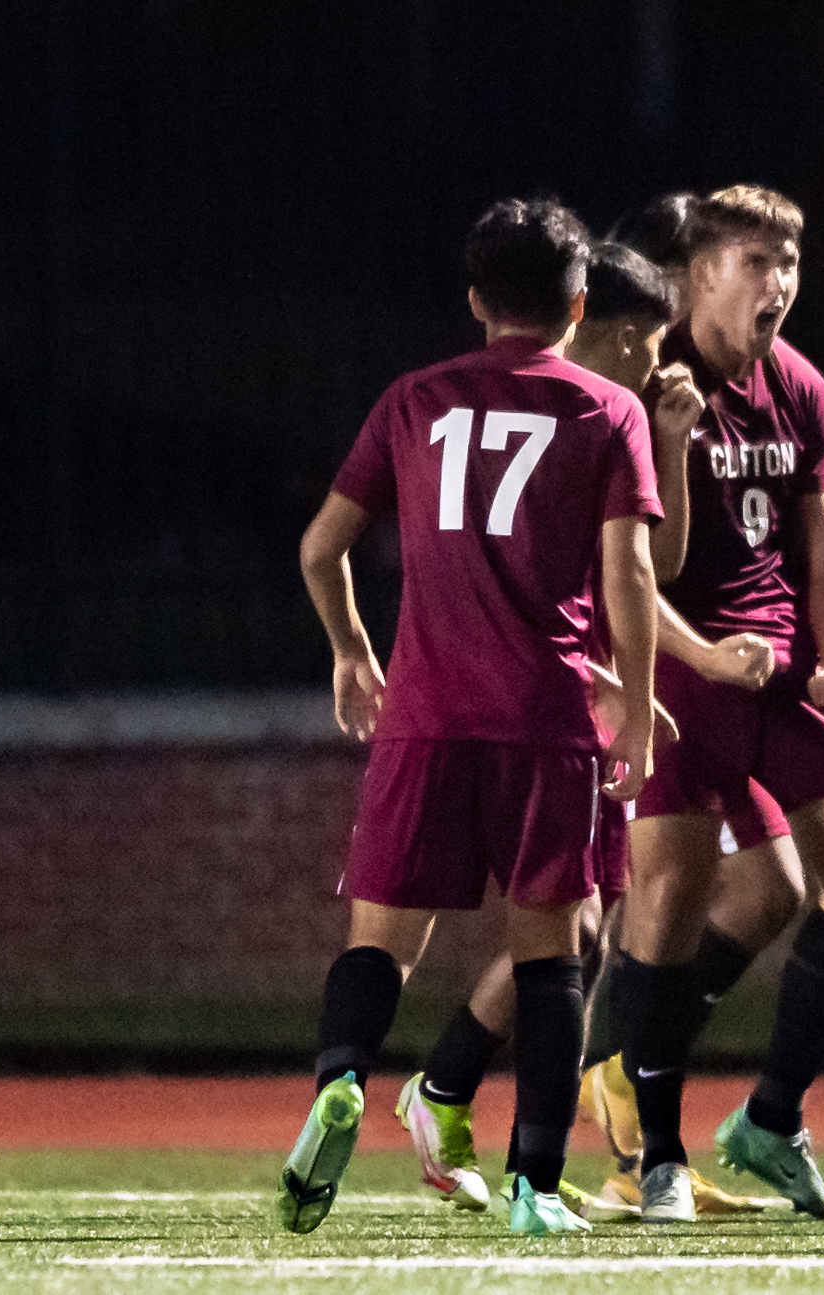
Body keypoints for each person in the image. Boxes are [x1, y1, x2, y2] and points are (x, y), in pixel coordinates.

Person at [277, 196, 662, 1239]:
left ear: (474, 300)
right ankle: (536, 1182)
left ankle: (342, 1078)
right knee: (551, 953)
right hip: (543, 716)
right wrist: (636, 694)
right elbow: (627, 569)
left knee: (381, 938)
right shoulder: (604, 410)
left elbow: (321, 547)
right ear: (580, 305)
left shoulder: (414, 398)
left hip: (425, 714)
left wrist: (354, 650)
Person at [614, 185, 824, 1224]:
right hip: (685, 674)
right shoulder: (647, 380)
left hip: (782, 670)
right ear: (698, 276)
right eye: (753, 262)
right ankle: (652, 1155)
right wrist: (662, 438)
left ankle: (770, 1118)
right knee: (666, 908)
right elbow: (647, 565)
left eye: (787, 263)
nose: (777, 282)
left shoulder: (801, 387)